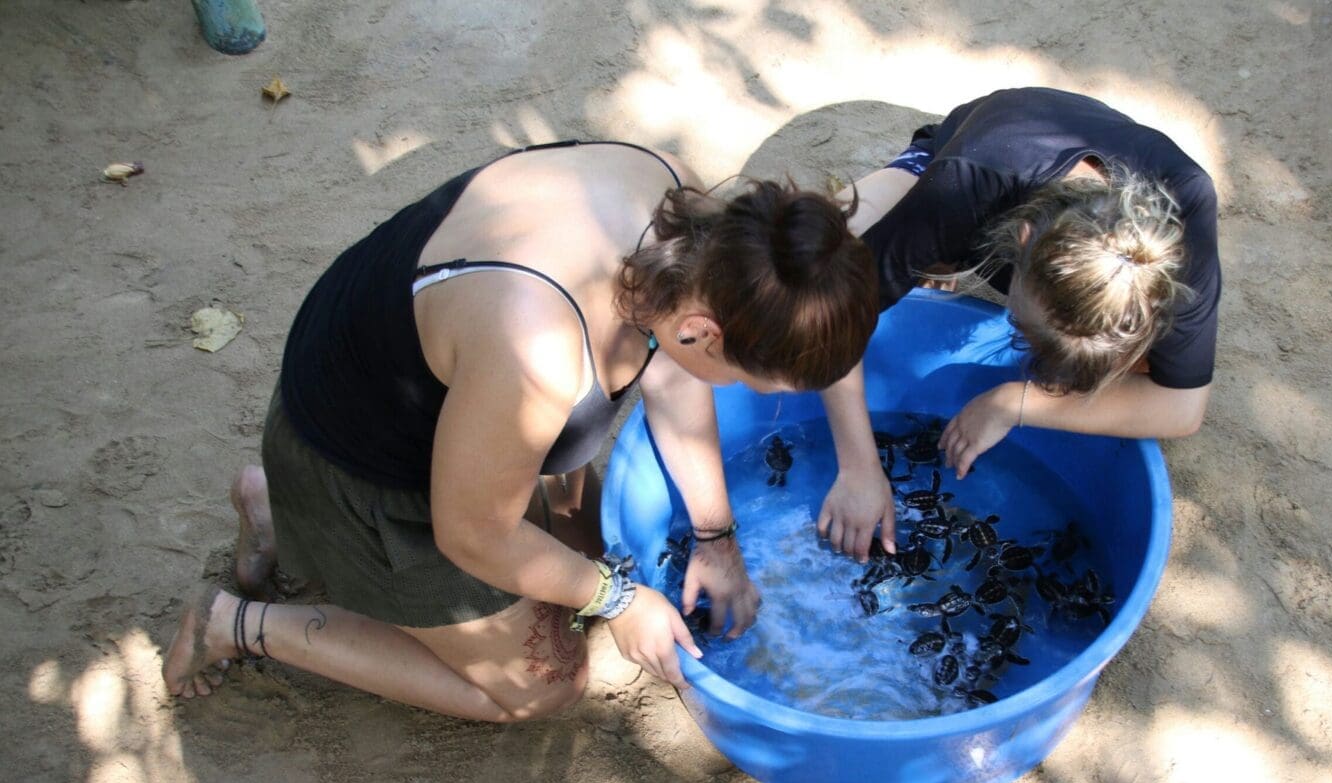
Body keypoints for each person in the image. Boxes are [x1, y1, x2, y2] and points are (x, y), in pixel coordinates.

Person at [161, 139, 877, 722]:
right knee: (545, 682)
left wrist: (716, 539)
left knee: (591, 547)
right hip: (362, 471)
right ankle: (233, 622)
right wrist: (620, 599)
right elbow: (472, 532)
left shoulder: (685, 214)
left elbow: (673, 367)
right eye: (756, 381)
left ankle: (273, 514)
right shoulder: (537, 349)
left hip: (392, 391)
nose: (752, 393)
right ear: (704, 330)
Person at [815, 87, 1221, 562]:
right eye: (1026, 333)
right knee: (828, 254)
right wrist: (859, 468)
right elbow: (830, 317)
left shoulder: (1178, 229)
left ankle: (935, 261)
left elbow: (1183, 409)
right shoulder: (964, 187)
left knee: (1144, 371)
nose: (1033, 359)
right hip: (968, 170)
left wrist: (1016, 401)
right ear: (1020, 244)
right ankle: (934, 250)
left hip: (1067, 210)